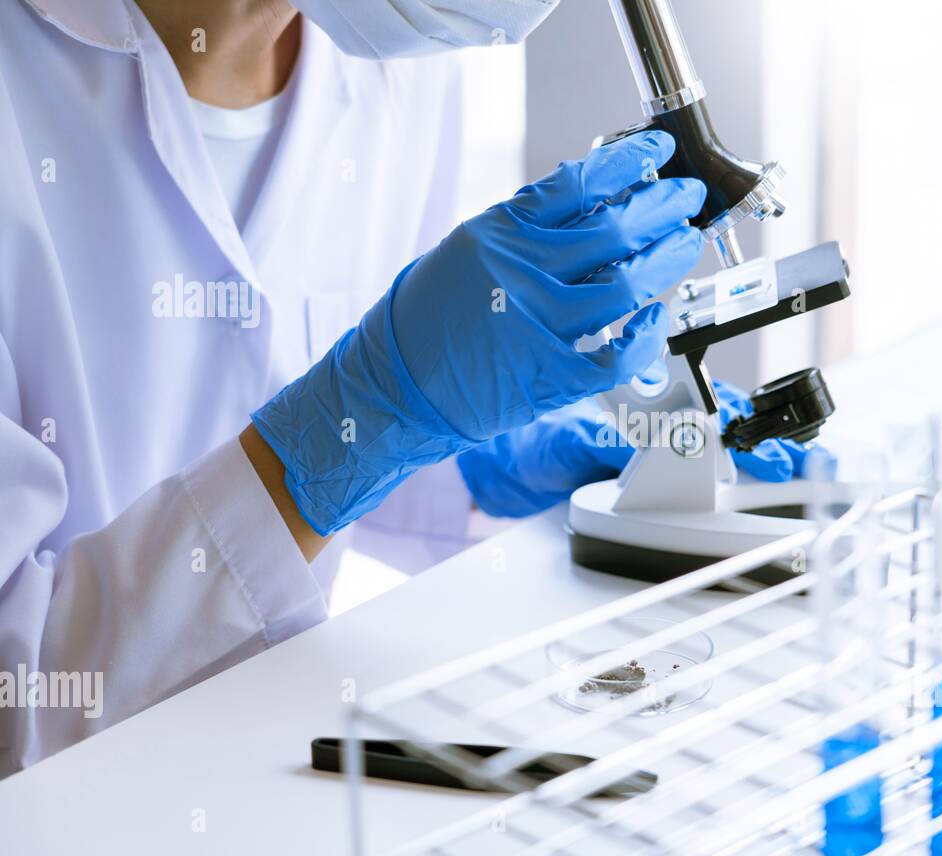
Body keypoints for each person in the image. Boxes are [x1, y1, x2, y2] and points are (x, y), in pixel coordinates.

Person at [0, 0, 814, 776]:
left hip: (276, 767)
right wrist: (369, 412)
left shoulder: (397, 61)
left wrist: (475, 452)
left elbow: (325, 412)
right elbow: (19, 705)